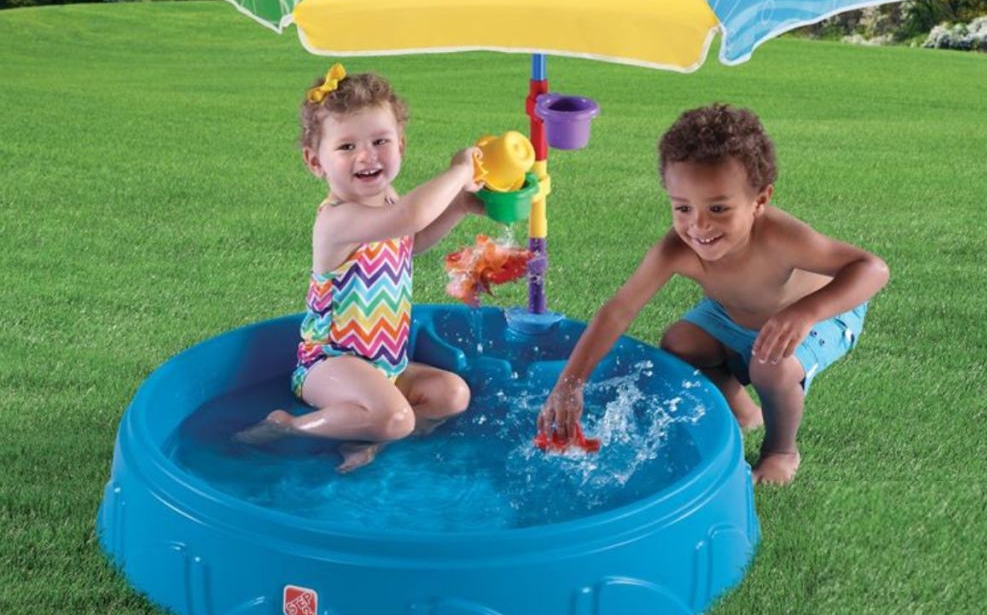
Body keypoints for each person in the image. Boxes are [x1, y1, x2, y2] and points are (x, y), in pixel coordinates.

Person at [538, 103, 889, 485]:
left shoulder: (780, 237)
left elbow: (872, 269)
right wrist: (571, 383)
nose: (699, 225)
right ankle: (744, 412)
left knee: (770, 365)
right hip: (734, 314)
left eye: (719, 208)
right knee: (680, 342)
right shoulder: (676, 248)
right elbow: (619, 310)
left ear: (760, 200)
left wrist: (805, 312)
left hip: (821, 315)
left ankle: (781, 450)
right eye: (683, 208)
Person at [237, 64, 483, 472]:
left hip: (385, 365)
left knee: (452, 394)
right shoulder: (337, 221)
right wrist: (460, 171)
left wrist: (460, 206)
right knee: (398, 418)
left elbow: (412, 240)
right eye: (347, 147)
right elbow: (413, 217)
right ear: (315, 162)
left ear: (400, 146)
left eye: (379, 141)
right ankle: (290, 426)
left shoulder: (389, 202)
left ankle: (365, 433)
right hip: (328, 363)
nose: (366, 155)